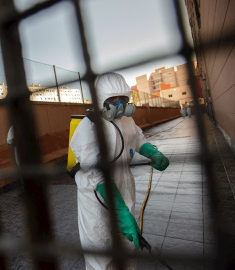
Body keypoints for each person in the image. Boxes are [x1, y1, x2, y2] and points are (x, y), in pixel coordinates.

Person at [69, 72, 169, 270]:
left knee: (127, 246)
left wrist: (153, 153)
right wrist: (120, 213)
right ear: (101, 101)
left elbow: (137, 138)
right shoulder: (89, 128)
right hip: (96, 196)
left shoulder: (126, 121)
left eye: (123, 99)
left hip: (122, 187)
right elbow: (96, 175)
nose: (120, 105)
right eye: (113, 100)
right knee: (101, 249)